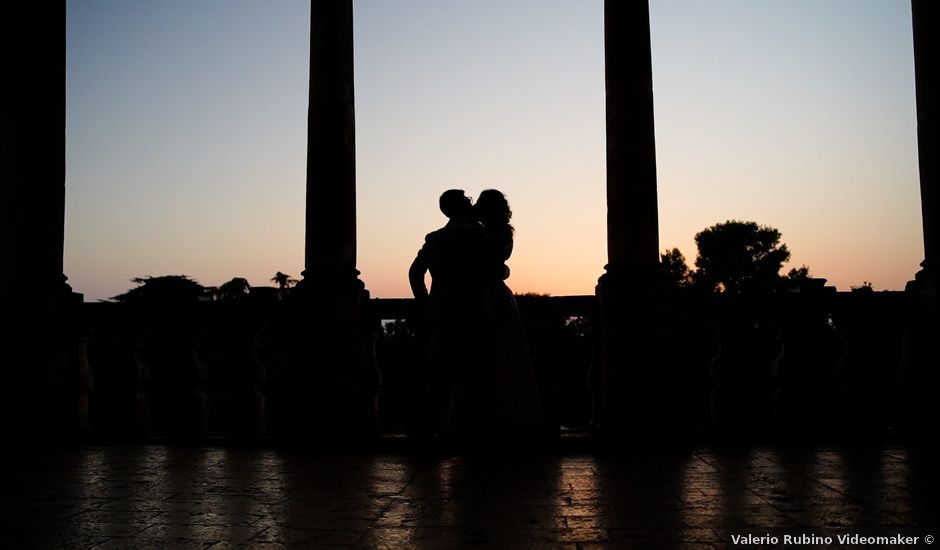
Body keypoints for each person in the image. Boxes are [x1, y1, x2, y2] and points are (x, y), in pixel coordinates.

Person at [409, 190, 491, 438]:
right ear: (460, 206)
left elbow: (415, 273)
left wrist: (426, 302)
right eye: (466, 199)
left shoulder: (434, 238)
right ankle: (471, 432)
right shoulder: (476, 234)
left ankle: (427, 430)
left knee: (442, 374)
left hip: (442, 311)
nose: (470, 201)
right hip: (473, 310)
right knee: (475, 374)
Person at [473, 189, 544, 438]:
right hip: (491, 295)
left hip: (491, 297)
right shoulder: (488, 233)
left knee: (499, 353)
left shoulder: (488, 234)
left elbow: (495, 260)